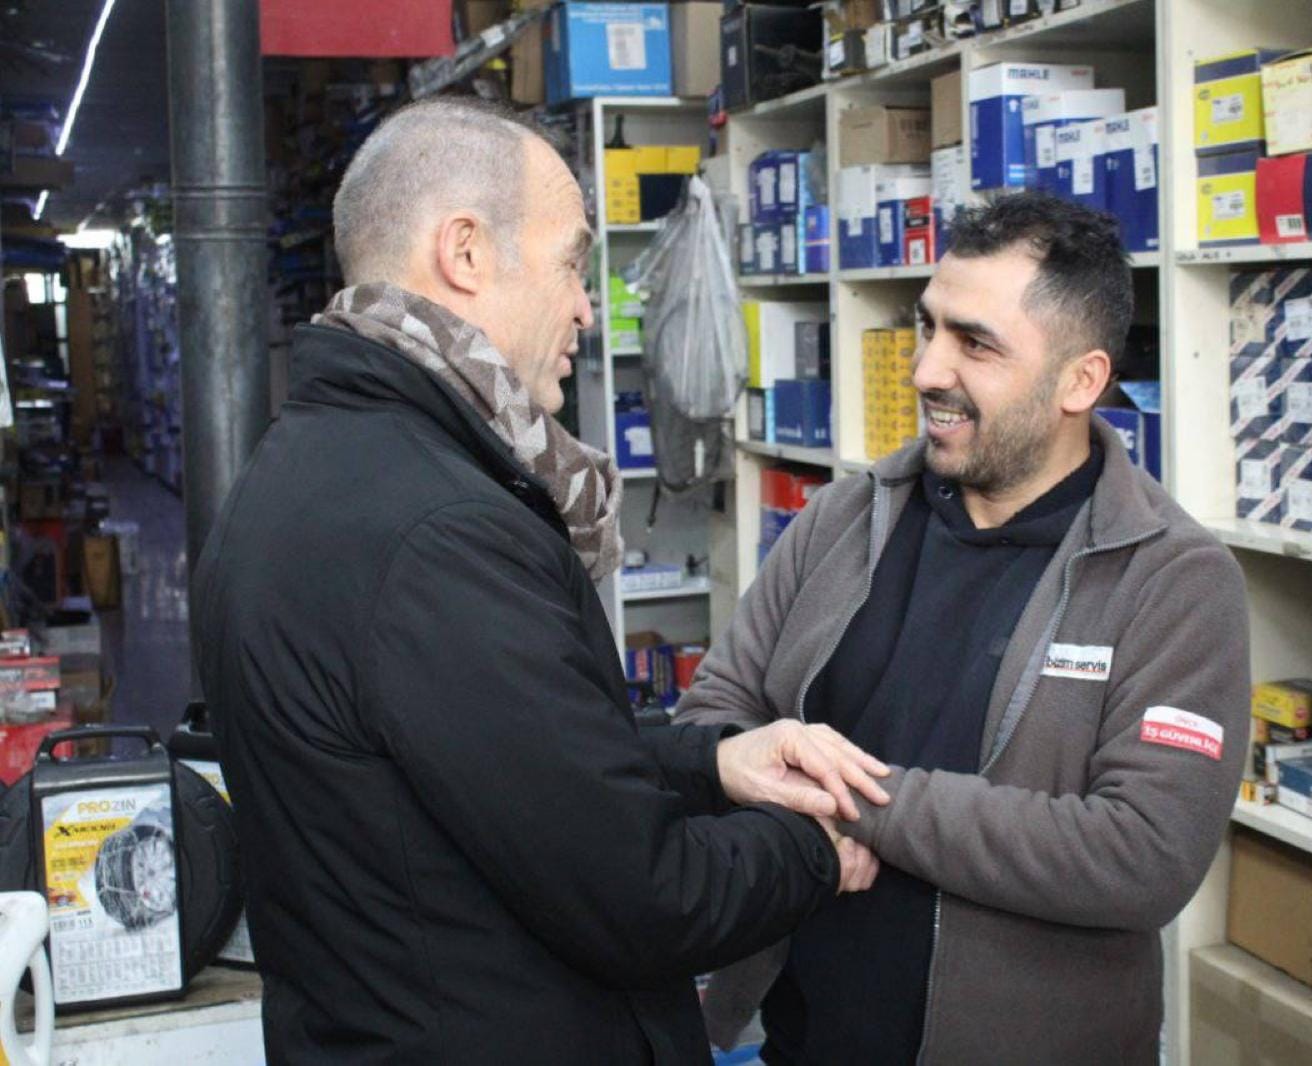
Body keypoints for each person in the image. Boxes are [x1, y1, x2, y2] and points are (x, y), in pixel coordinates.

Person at [192, 97, 889, 1065]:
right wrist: (815, 849)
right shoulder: (439, 533)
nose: (586, 307)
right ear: (465, 253)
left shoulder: (306, 468)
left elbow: (500, 765)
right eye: (570, 263)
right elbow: (640, 895)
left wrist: (711, 765)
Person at [676, 193, 1252, 1065]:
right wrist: (775, 802)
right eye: (929, 327)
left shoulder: (1172, 579)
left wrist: (859, 802)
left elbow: (1142, 856)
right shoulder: (844, 518)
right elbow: (715, 717)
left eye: (975, 344)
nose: (926, 370)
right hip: (802, 1042)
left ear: (1081, 382)